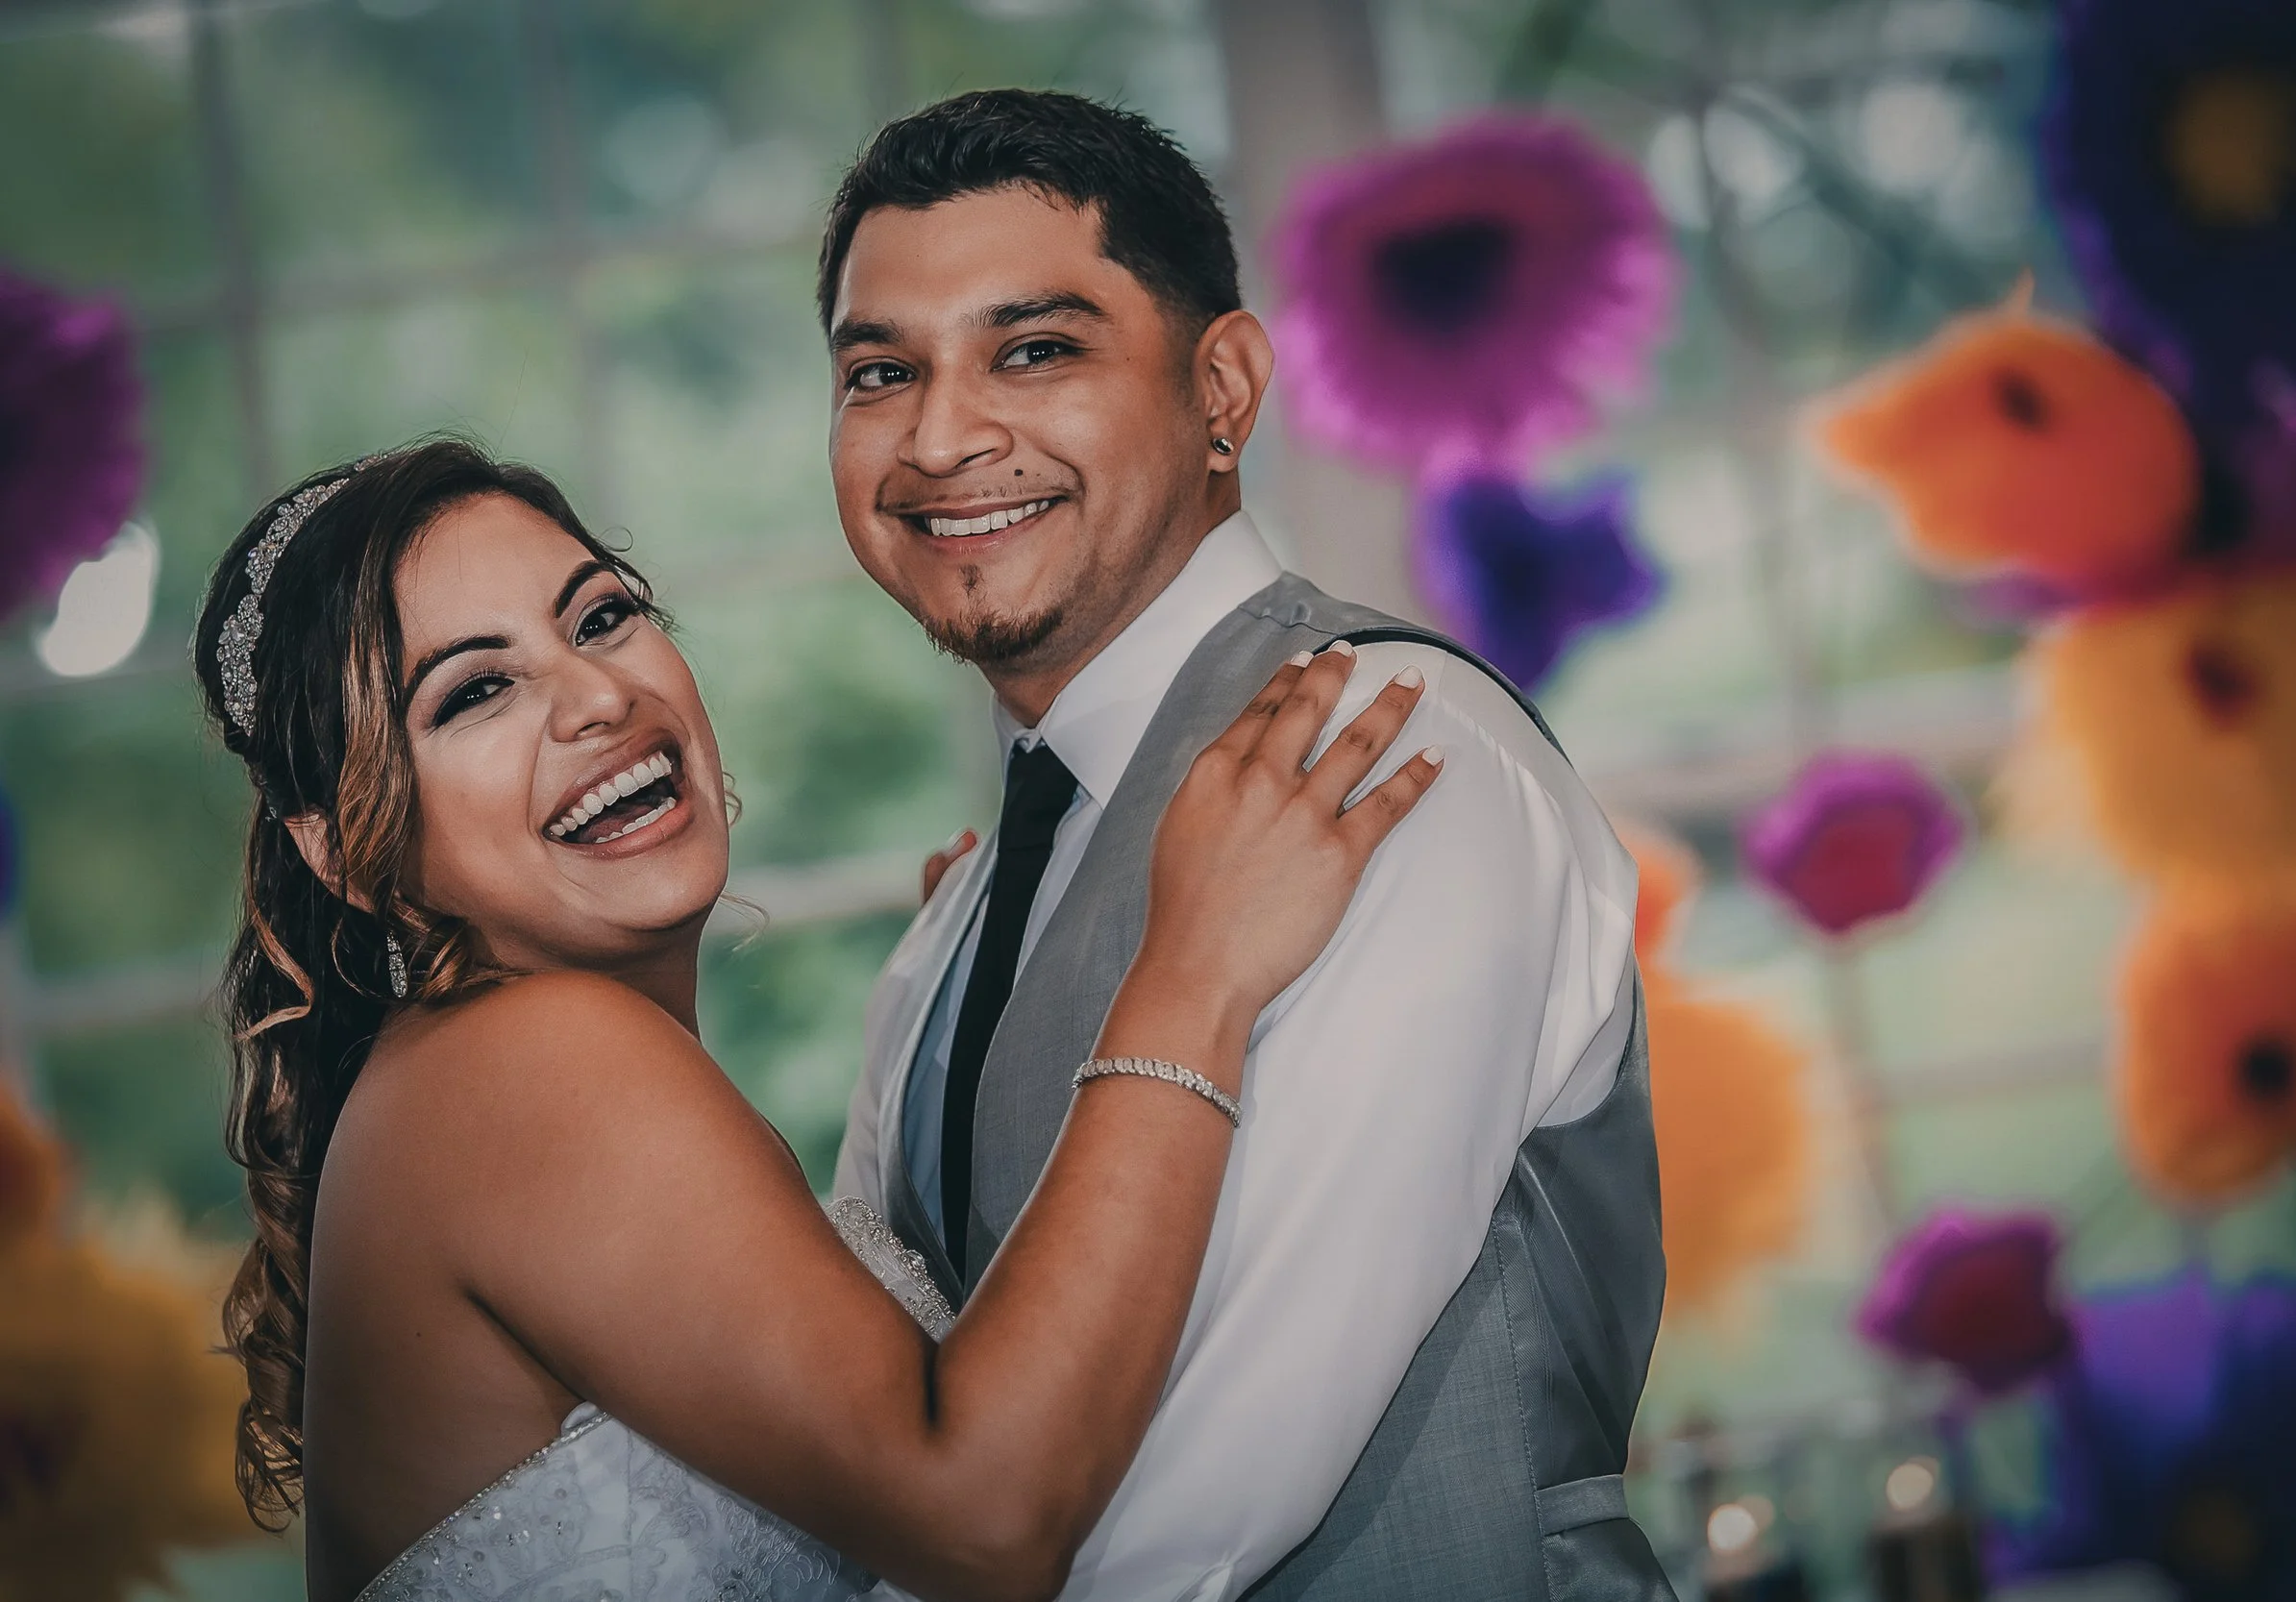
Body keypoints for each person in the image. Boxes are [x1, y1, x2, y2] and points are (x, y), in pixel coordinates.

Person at [196, 438, 1442, 1601]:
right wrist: (1198, 963)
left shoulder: (476, 1075)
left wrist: (944, 1009)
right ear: (343, 853)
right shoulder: (520, 1059)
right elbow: (983, 1512)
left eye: (602, 615)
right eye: (474, 692)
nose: (594, 697)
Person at [824, 91, 1674, 1600]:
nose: (941, 435)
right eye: (882, 371)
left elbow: (1177, 1517)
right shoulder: (962, 922)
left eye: (1034, 348)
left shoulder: (1389, 754)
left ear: (1222, 386)